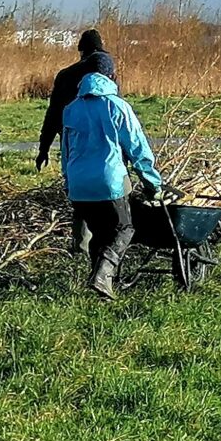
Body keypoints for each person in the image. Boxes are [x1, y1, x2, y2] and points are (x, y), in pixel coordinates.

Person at [61, 69, 162, 300]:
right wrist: (152, 182)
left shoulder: (71, 109)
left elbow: (65, 151)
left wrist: (68, 181)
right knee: (125, 228)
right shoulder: (117, 106)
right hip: (108, 181)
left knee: (99, 233)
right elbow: (137, 147)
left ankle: (102, 289)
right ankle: (103, 273)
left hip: (78, 184)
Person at [35, 28, 119, 253]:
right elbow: (115, 109)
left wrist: (44, 149)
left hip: (73, 143)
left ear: (81, 50)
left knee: (81, 189)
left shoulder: (66, 75)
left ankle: (81, 243)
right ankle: (108, 240)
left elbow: (53, 115)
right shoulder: (107, 67)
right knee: (108, 186)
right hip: (103, 142)